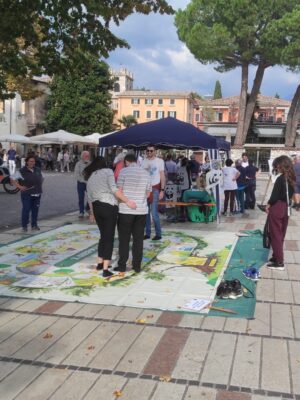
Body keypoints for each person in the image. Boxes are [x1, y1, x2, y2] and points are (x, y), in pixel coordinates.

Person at [85, 156, 136, 278]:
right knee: (109, 238)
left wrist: (92, 213)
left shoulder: (91, 177)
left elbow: (90, 198)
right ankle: (105, 269)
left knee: (103, 236)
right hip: (108, 207)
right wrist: (127, 201)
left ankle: (99, 263)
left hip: (97, 208)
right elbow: (114, 189)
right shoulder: (108, 171)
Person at [114, 153, 151, 273]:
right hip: (141, 210)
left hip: (125, 210)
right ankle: (137, 266)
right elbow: (148, 193)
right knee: (138, 239)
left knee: (124, 239)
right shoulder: (146, 173)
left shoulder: (124, 172)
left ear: (126, 162)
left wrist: (128, 201)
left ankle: (122, 265)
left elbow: (118, 192)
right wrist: (139, 198)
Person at [266, 156, 296, 271]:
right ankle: (276, 256)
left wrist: (268, 205)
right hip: (286, 207)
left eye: (277, 165)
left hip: (277, 207)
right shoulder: (291, 178)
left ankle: (279, 262)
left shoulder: (280, 178)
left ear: (282, 165)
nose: (276, 168)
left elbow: (274, 197)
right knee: (280, 234)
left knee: (275, 234)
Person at [11, 155, 44, 232]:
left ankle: (34, 225)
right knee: (26, 209)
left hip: (37, 193)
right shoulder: (22, 171)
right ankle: (24, 226)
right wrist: (20, 187)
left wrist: (39, 185)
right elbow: (12, 179)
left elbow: (42, 178)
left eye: (34, 161)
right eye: (31, 161)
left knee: (35, 210)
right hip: (27, 194)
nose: (33, 163)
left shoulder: (37, 169)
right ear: (27, 162)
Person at [142, 145, 165, 240]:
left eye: (151, 151)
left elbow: (162, 176)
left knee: (154, 212)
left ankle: (158, 234)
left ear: (155, 151)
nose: (149, 152)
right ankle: (147, 233)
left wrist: (162, 190)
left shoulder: (160, 161)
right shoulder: (143, 161)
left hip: (155, 188)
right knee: (146, 212)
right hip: (144, 189)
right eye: (147, 151)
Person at [74, 151, 91, 218]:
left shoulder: (90, 163)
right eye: (86, 156)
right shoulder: (78, 164)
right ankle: (81, 212)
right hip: (81, 183)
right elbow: (76, 175)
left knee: (90, 196)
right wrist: (83, 180)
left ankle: (87, 208)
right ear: (82, 156)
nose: (87, 157)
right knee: (81, 197)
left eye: (88, 156)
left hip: (89, 183)